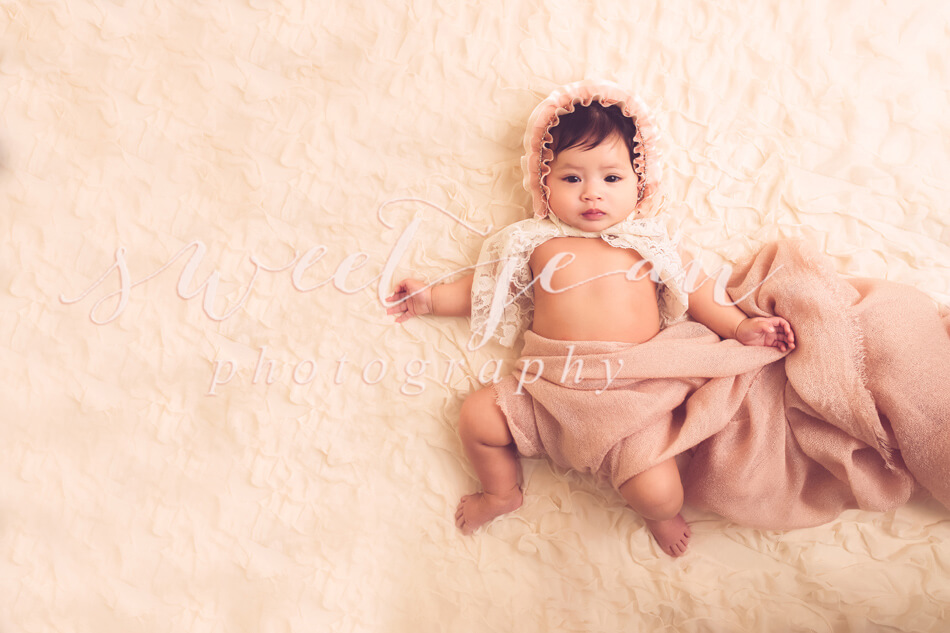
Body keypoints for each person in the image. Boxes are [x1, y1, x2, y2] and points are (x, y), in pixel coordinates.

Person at [386, 80, 795, 557]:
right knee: (476, 417)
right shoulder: (532, 241)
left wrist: (739, 327)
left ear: (640, 182)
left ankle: (659, 517)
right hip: (544, 393)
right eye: (572, 178)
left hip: (631, 400)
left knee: (661, 495)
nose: (591, 194)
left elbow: (699, 290)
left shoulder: (649, 241)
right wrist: (430, 299)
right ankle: (501, 492)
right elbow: (486, 289)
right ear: (544, 181)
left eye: (611, 179)